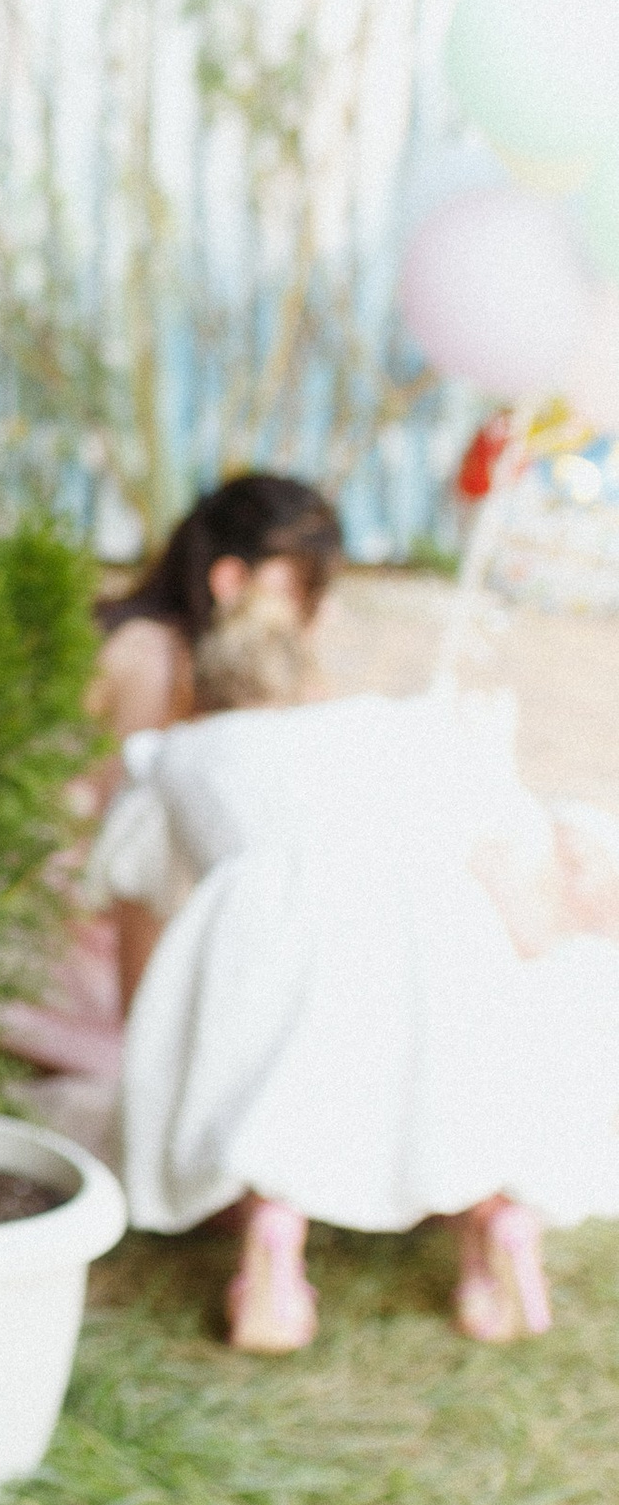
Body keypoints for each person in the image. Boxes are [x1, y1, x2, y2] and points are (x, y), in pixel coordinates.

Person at [107, 615, 619, 1353]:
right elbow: (486, 837)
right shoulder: (388, 727)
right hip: (433, 919)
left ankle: (274, 1249)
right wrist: (522, 948)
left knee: (275, 1081)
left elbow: (143, 881)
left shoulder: (180, 754)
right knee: (457, 1085)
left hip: (277, 940)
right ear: (312, 682)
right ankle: (499, 1224)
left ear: (201, 691)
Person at [90, 472, 344, 1011]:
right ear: (231, 580)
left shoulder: (247, 674)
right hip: (91, 937)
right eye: (304, 589)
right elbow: (128, 828)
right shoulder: (148, 657)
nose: (312, 614)